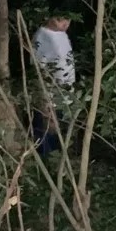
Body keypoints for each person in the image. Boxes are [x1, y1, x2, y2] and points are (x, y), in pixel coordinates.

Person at [32, 14, 76, 156]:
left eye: (68, 20)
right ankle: (44, 163)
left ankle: (56, 165)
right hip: (51, 96)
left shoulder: (62, 35)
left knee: (59, 135)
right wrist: (46, 99)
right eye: (60, 19)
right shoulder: (42, 36)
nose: (65, 24)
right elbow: (39, 69)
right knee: (46, 133)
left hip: (64, 95)